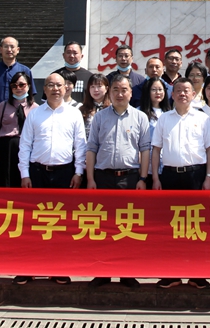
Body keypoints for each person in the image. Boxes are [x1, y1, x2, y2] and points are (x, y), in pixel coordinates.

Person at [15, 72, 86, 286]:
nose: (55, 89)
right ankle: (29, 268)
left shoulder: (74, 114)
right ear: (44, 89)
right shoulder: (35, 114)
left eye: (59, 85)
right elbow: (25, 145)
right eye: (51, 85)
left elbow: (80, 145)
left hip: (65, 173)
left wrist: (78, 172)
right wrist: (25, 174)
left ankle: (58, 268)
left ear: (66, 88)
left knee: (60, 223)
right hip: (37, 172)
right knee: (33, 222)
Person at [86, 75, 150, 289]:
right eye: (115, 90)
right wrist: (90, 179)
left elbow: (145, 149)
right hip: (103, 177)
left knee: (127, 227)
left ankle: (126, 272)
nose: (120, 94)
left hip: (129, 178)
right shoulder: (100, 117)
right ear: (109, 92)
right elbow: (91, 148)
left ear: (131, 93)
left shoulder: (140, 117)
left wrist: (143, 178)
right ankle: (102, 272)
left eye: (124, 90)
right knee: (102, 227)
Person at [151, 77, 210, 289]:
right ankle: (172, 274)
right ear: (172, 94)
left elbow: (209, 150)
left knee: (196, 227)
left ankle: (197, 274)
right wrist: (155, 177)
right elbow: (156, 150)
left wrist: (208, 177)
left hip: (196, 176)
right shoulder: (164, 119)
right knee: (171, 227)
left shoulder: (203, 118)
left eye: (187, 90)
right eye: (178, 90)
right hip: (169, 176)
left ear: (194, 94)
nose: (182, 94)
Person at [0, 71, 38, 187]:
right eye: (14, 85)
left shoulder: (36, 108)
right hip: (6, 148)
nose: (18, 88)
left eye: (22, 85)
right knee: (5, 181)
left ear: (28, 86)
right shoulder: (3, 105)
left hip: (26, 148)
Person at [0, 36, 35, 112]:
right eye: (6, 46)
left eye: (12, 47)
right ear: (0, 49)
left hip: (18, 115)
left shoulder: (25, 70)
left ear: (18, 50)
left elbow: (31, 95)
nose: (9, 49)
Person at [79, 73, 110, 137]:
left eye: (99, 86)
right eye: (92, 87)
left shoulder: (112, 108)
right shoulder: (82, 109)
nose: (95, 90)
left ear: (106, 88)